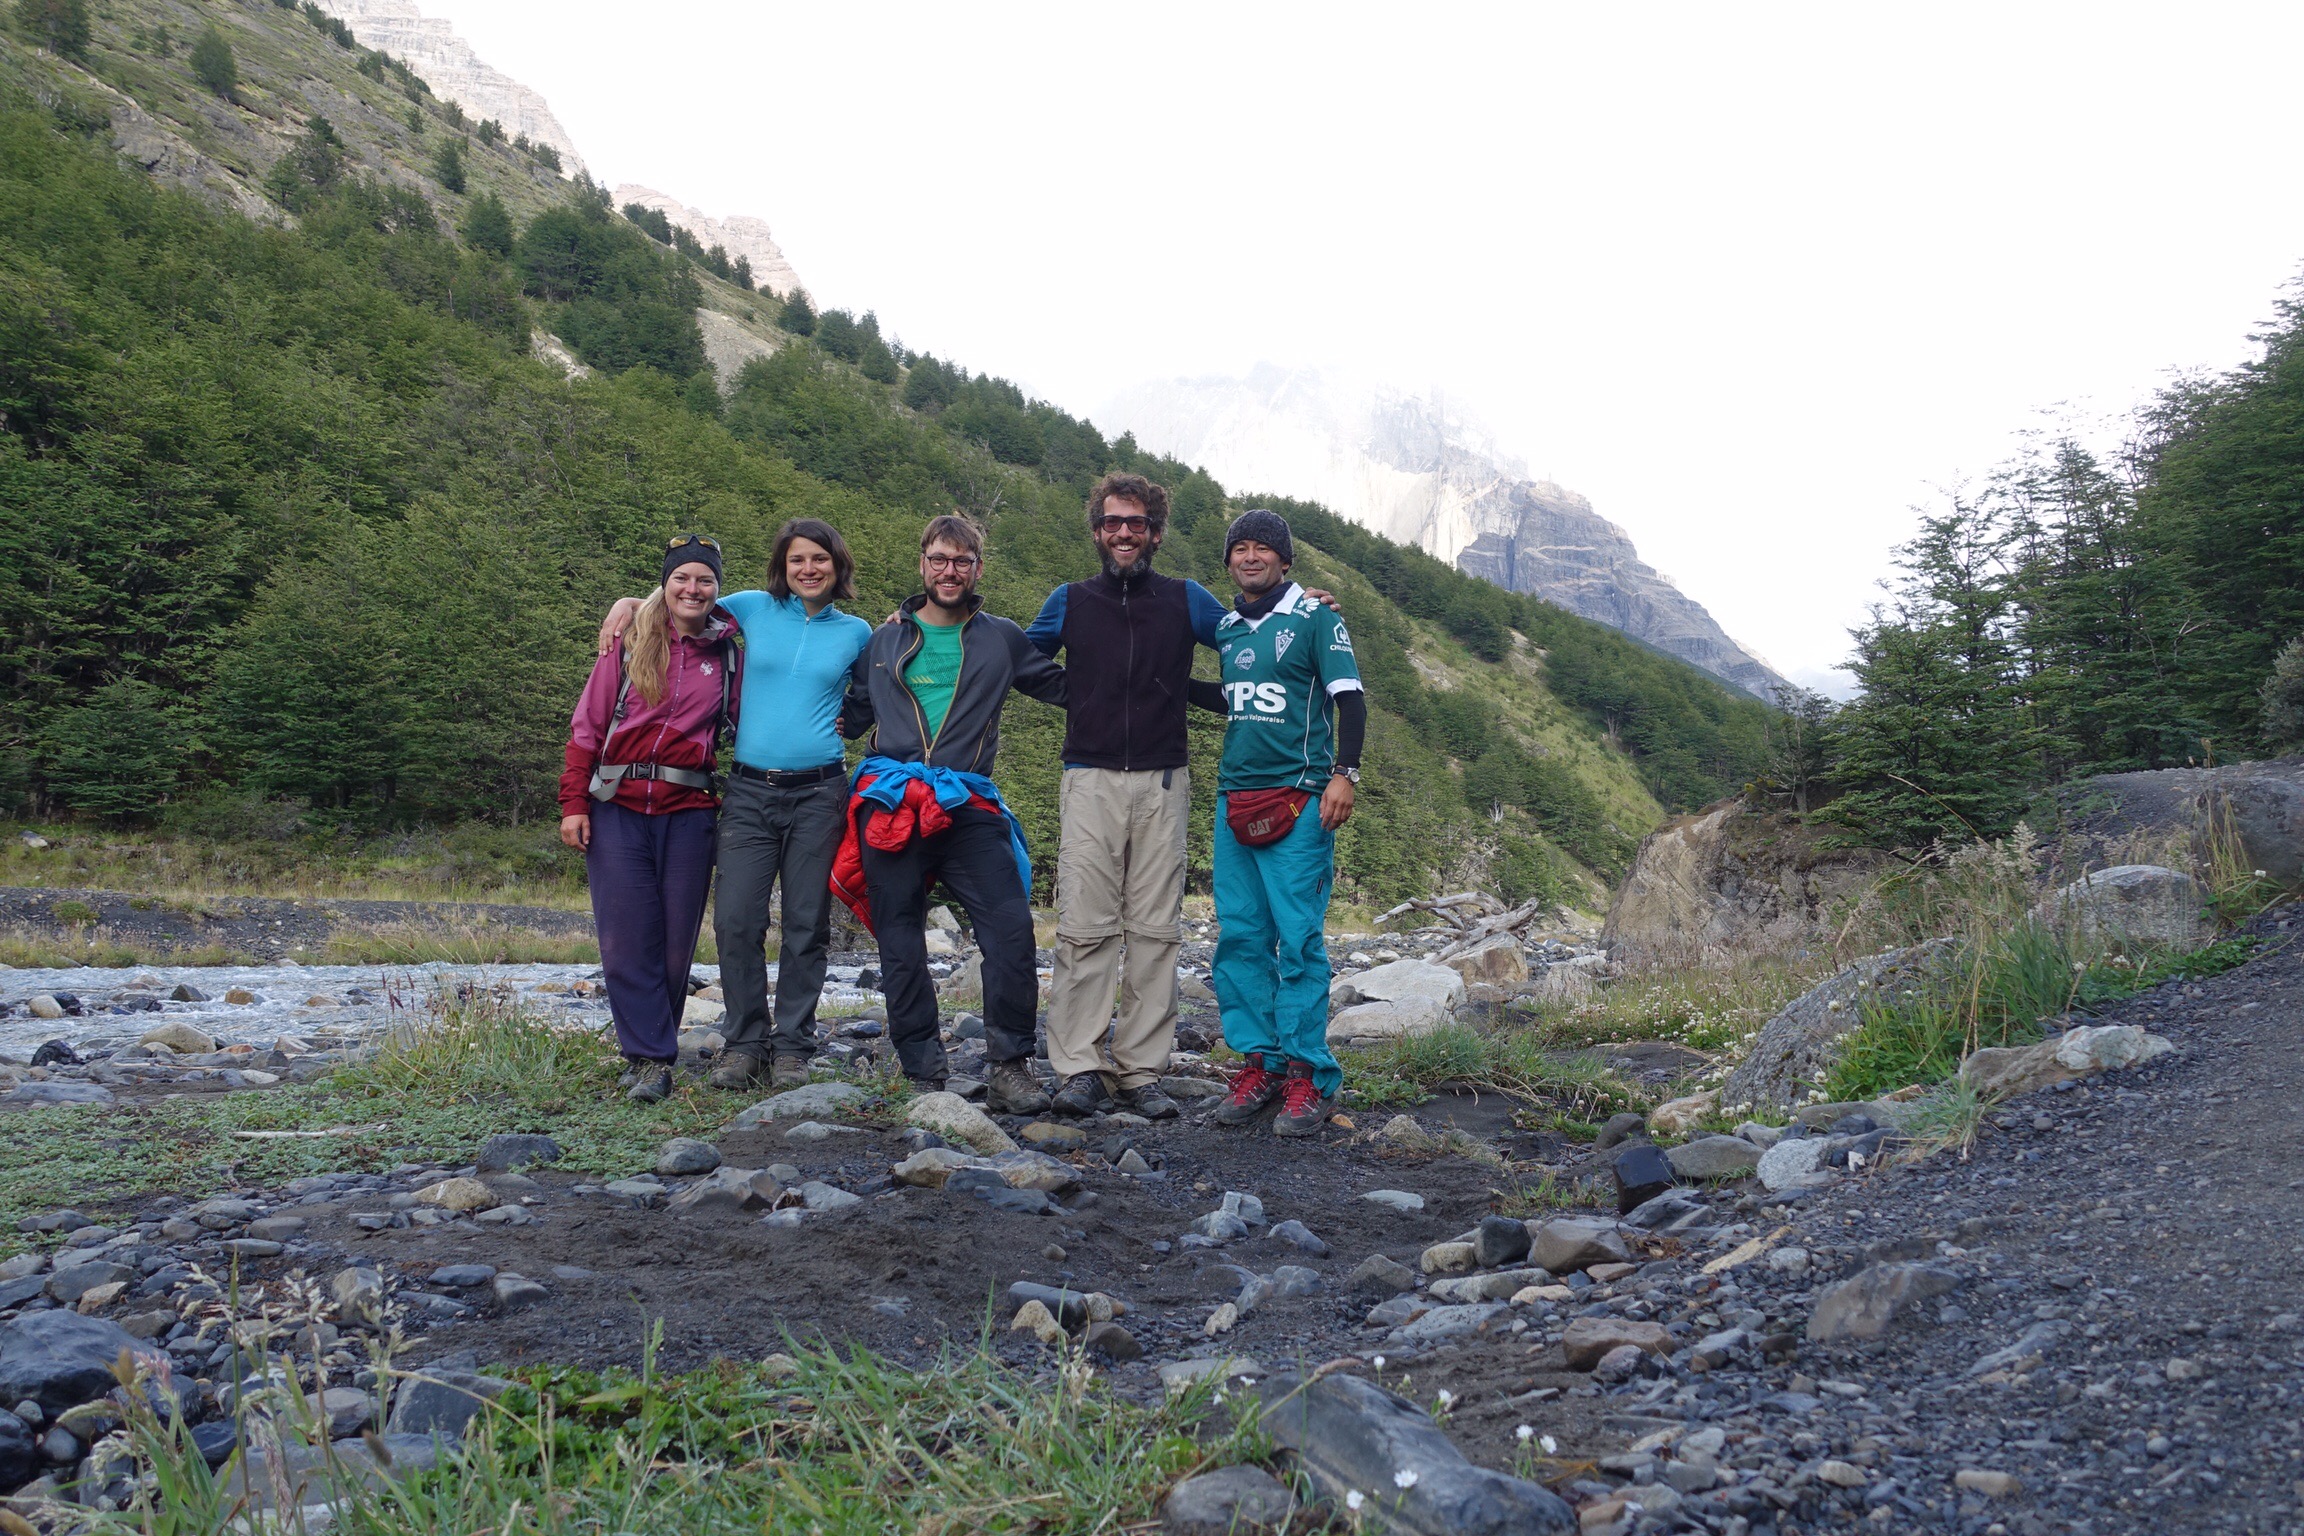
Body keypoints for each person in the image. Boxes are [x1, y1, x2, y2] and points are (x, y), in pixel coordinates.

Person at [599, 520, 872, 1091]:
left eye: (820, 558)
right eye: (797, 559)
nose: (808, 569)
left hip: (820, 792)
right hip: (749, 792)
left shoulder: (858, 632)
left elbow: (872, 695)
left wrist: (854, 719)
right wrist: (629, 603)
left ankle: (793, 1045)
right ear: (782, 566)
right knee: (736, 919)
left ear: (837, 565)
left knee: (806, 922)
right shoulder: (751, 608)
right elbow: (684, 602)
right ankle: (746, 1043)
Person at [832, 514, 1067, 1113]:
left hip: (967, 801)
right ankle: (922, 1071)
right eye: (939, 559)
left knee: (1010, 929)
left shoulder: (1001, 637)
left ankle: (1010, 1066)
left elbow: (1067, 688)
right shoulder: (881, 640)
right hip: (892, 799)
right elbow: (847, 713)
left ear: (977, 569)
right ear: (922, 564)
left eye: (962, 561)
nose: (949, 570)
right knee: (899, 937)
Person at [1022, 473, 1230, 1120]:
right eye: (1112, 522)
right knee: (1084, 926)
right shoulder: (1070, 600)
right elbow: (1020, 658)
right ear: (1097, 531)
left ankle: (1140, 1071)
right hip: (1089, 777)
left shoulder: (1186, 598)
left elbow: (1249, 644)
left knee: (1155, 930)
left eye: (1136, 523)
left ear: (1155, 533)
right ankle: (1080, 1068)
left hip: (1165, 781)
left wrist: (1300, 611)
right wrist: (1076, 695)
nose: (1123, 532)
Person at [560, 534, 741, 1103]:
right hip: (615, 805)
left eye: (705, 580)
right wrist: (573, 803)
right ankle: (649, 1059)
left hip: (689, 810)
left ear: (717, 589)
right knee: (625, 937)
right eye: (681, 577)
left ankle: (650, 1049)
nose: (693, 588)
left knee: (675, 943)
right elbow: (587, 726)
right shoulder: (629, 642)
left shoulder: (728, 653)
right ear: (665, 583)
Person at [1205, 509, 1365, 1137]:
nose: (1251, 557)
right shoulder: (1226, 628)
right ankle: (1262, 1064)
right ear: (1228, 561)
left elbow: (1349, 699)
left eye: (1263, 548)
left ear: (1285, 560)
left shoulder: (1317, 617)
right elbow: (1233, 697)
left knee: (1297, 940)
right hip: (1234, 799)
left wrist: (1345, 774)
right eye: (1239, 548)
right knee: (1241, 937)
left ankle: (1309, 1075)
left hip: (1300, 799)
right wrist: (1160, 684)